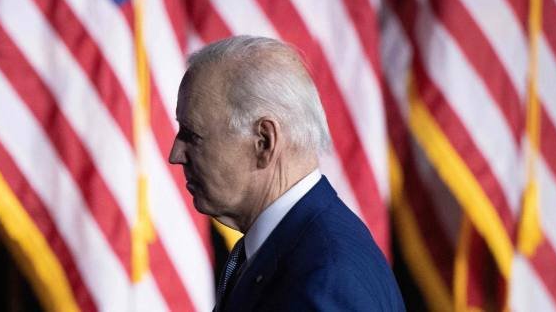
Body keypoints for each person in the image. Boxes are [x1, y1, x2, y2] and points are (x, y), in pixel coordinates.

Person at [169, 35, 405, 311]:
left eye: (192, 135)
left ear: (264, 142)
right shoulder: (291, 248)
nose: (176, 155)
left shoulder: (325, 279)